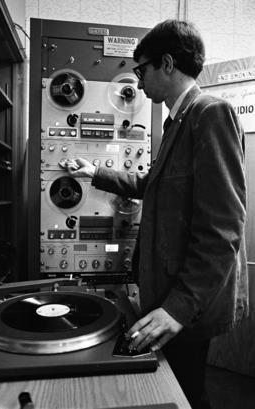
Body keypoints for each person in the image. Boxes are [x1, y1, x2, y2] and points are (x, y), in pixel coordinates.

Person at [61, 20, 248, 409]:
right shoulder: (176, 121)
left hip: (187, 302)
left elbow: (224, 228)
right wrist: (96, 172)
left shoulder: (211, 113)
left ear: (166, 63)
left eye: (140, 69)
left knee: (187, 392)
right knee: (182, 387)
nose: (138, 81)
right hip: (169, 292)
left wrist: (177, 308)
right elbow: (156, 184)